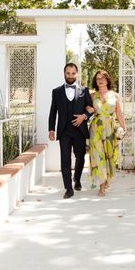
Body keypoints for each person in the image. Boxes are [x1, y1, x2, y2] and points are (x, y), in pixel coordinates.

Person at [48, 62, 94, 199]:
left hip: (79, 131)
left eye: (73, 73)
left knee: (80, 157)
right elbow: (53, 112)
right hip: (64, 132)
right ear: (64, 73)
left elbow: (91, 108)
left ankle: (77, 179)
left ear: (77, 74)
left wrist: (84, 117)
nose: (70, 76)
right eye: (68, 73)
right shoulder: (56, 92)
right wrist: (51, 129)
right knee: (65, 160)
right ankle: (68, 188)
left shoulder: (84, 91)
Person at [86, 70, 127, 197]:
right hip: (96, 129)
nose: (100, 80)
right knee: (98, 156)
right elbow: (85, 108)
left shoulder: (115, 96)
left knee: (109, 156)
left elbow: (119, 113)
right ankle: (101, 186)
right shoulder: (92, 95)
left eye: (103, 78)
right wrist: (88, 108)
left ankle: (107, 179)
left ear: (108, 80)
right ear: (95, 81)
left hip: (110, 128)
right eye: (98, 78)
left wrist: (124, 128)